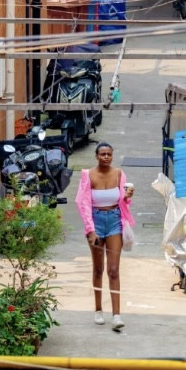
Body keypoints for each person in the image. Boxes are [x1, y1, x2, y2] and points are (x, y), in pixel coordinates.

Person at [75, 142, 135, 331]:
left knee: (114, 269)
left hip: (115, 221)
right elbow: (82, 203)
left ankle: (116, 315)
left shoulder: (119, 174)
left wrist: (127, 196)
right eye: (103, 154)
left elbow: (124, 202)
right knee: (98, 269)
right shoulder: (88, 175)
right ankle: (98, 310)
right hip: (96, 221)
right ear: (97, 156)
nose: (106, 157)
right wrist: (90, 229)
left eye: (109, 154)